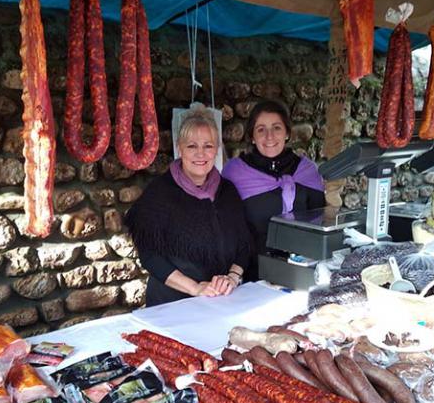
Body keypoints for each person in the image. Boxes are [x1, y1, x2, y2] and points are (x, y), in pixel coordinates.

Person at [126, 106, 251, 306]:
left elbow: (244, 244)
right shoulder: (160, 193)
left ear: (216, 149)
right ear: (180, 147)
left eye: (208, 146)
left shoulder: (228, 192)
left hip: (220, 301)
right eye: (192, 146)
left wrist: (232, 277)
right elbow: (150, 256)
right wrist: (195, 288)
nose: (200, 154)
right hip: (172, 304)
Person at [223, 99, 326, 281]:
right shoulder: (235, 173)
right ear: (252, 136)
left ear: (287, 133)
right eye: (261, 129)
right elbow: (227, 229)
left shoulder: (307, 171)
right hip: (250, 273)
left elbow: (319, 223)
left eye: (277, 128)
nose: (269, 136)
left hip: (301, 271)